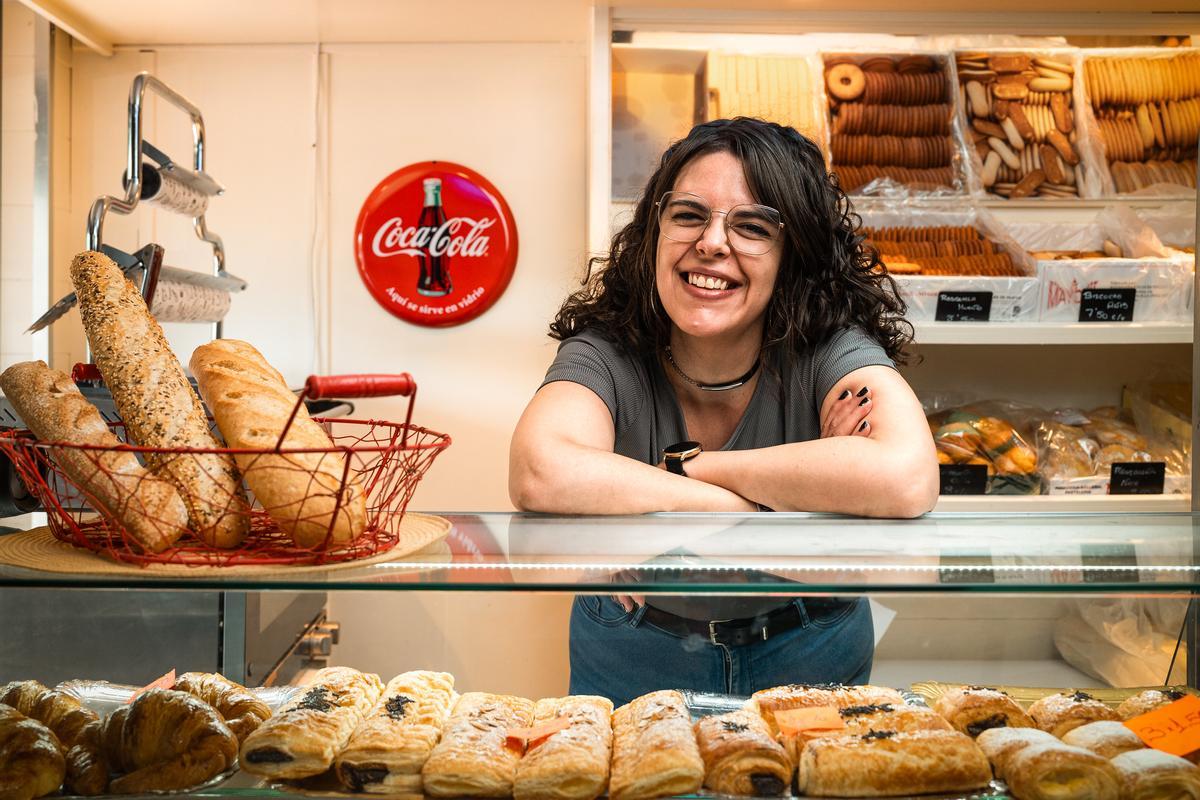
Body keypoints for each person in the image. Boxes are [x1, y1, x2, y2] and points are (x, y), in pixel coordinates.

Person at [508, 117, 938, 705]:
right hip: (633, 648)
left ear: (794, 253)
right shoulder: (608, 352)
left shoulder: (827, 350)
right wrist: (770, 500)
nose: (711, 242)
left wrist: (679, 473)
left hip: (810, 645)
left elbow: (906, 477)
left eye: (753, 225)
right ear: (654, 231)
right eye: (688, 215)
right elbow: (540, 471)